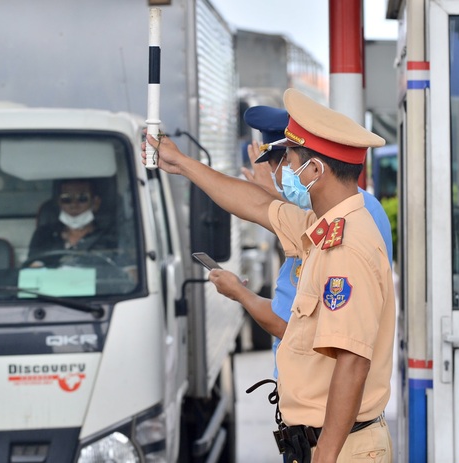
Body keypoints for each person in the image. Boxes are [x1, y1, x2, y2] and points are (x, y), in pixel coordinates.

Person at [143, 88, 395, 463]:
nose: (286, 171)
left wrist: (324, 456)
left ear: (315, 170)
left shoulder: (346, 246)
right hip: (321, 445)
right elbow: (258, 205)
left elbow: (352, 362)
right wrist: (180, 163)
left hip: (339, 450)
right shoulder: (325, 227)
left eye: (291, 160)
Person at [241, 105, 394, 378]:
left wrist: (239, 294)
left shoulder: (338, 220)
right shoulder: (362, 207)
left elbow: (291, 325)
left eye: (286, 163)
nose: (281, 176)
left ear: (312, 168)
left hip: (321, 400)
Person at [26, 178, 116, 266]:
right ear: (59, 203)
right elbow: (32, 271)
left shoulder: (111, 238)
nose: (74, 205)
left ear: (95, 203)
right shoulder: (43, 235)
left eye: (82, 198)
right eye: (66, 199)